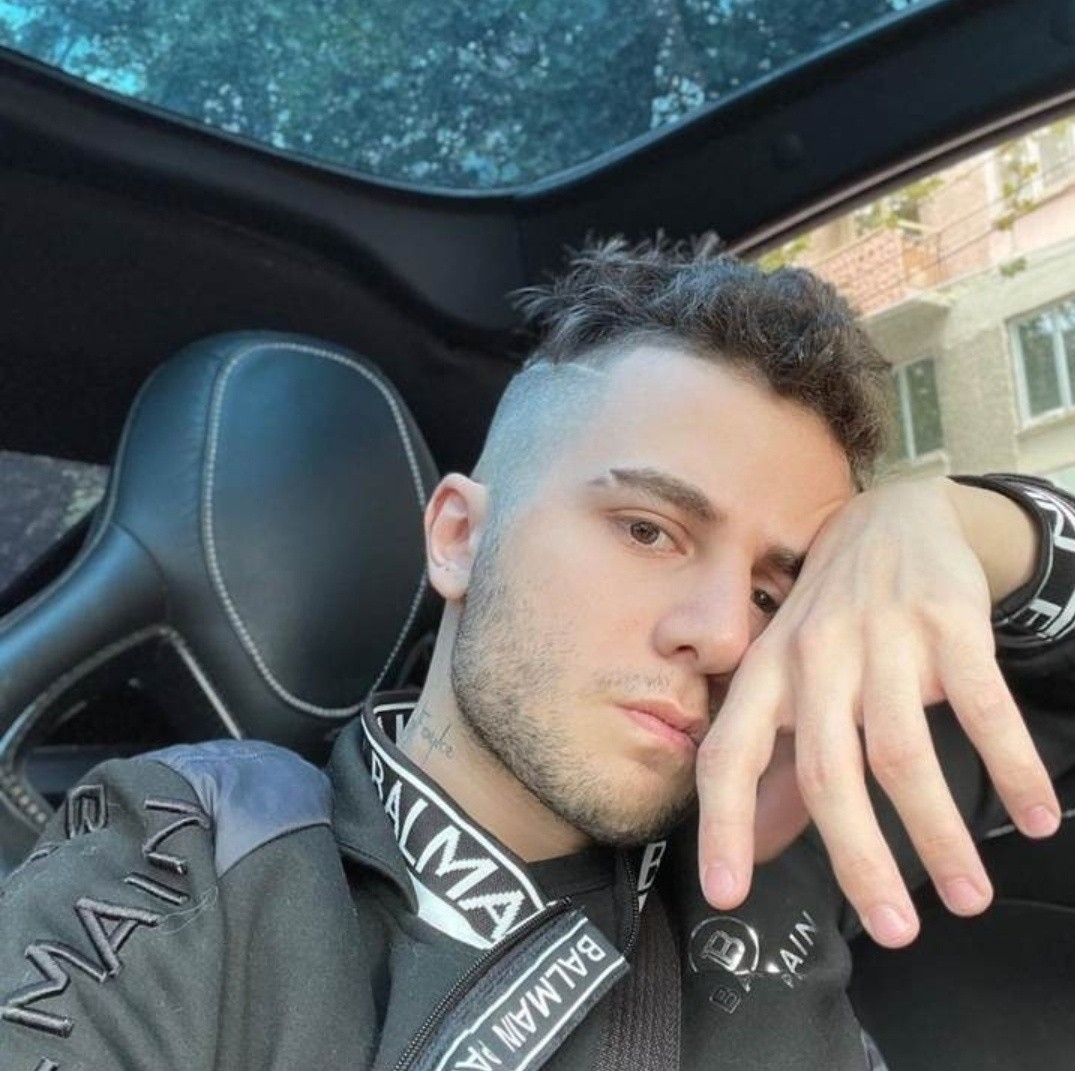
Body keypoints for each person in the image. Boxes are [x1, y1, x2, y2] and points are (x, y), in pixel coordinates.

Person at [2, 238, 1073, 1070]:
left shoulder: (792, 806)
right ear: (458, 538)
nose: (723, 635)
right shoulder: (201, 852)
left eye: (771, 592)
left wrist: (964, 525)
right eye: (649, 530)